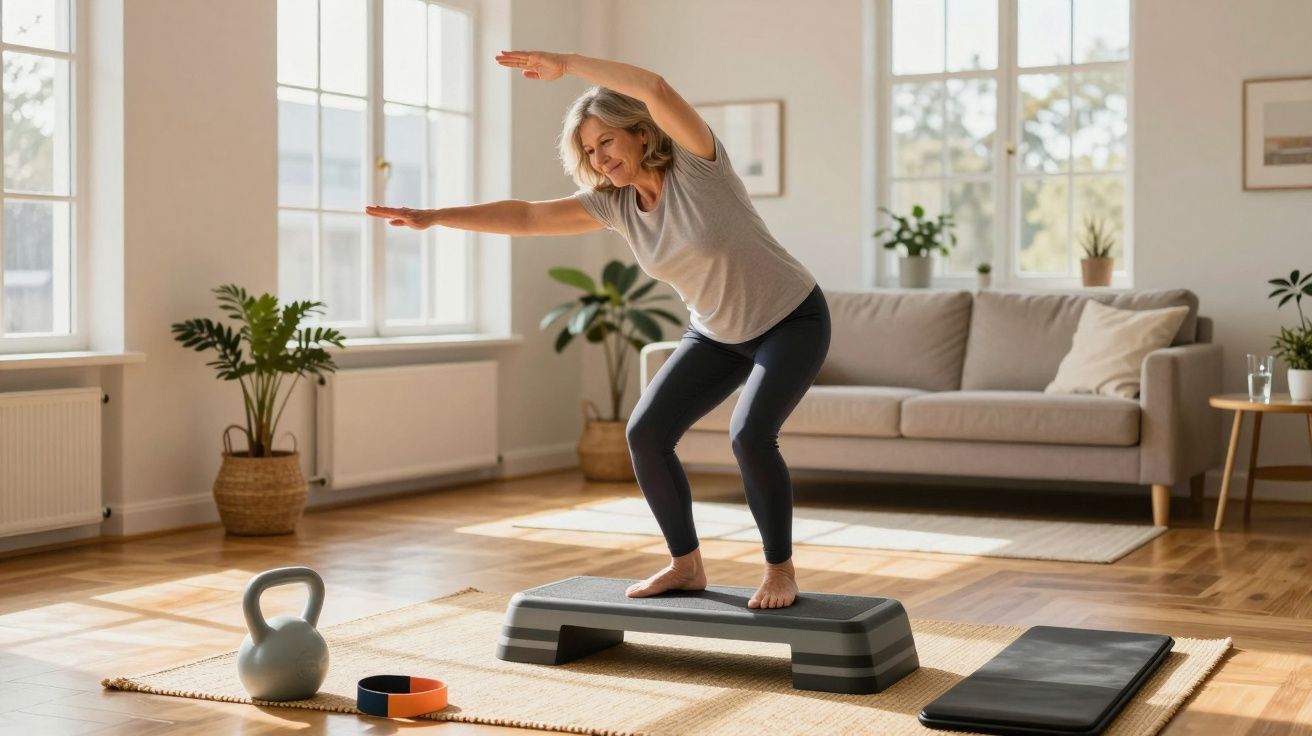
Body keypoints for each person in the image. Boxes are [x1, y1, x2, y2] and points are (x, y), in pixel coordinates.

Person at [366, 51, 830, 609]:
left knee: (750, 435)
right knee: (646, 434)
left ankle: (780, 570)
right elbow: (531, 217)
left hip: (791, 318)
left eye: (606, 141)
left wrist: (565, 64)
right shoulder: (616, 205)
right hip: (716, 332)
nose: (599, 156)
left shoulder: (698, 164)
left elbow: (657, 85)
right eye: (588, 150)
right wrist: (438, 215)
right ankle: (686, 566)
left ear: (639, 132)